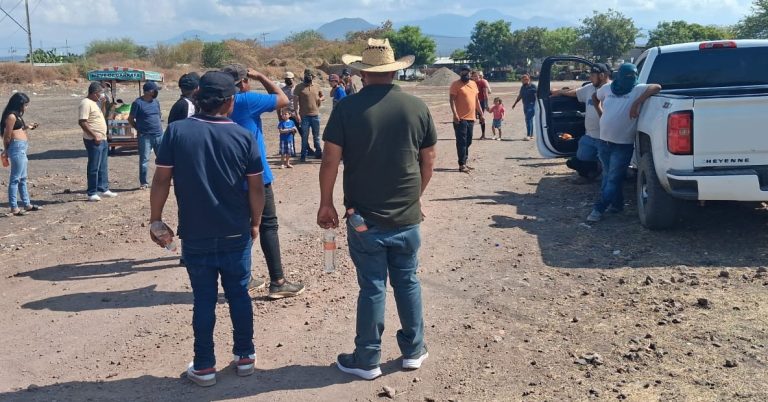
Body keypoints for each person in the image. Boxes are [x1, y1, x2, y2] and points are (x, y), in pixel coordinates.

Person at [319, 38, 437, 380]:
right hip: (407, 217)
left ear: (362, 72)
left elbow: (330, 159)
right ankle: (414, 350)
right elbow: (428, 161)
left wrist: (326, 202)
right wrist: (414, 197)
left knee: (372, 286)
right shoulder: (416, 107)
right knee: (408, 281)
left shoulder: (347, 109)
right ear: (394, 69)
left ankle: (367, 358)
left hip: (364, 218)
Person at [149, 71, 266, 387]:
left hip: (196, 234)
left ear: (198, 97)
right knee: (239, 294)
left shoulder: (176, 132)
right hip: (235, 232)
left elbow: (161, 179)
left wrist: (156, 220)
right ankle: (245, 356)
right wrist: (255, 222)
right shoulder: (243, 136)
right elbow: (256, 188)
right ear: (230, 102)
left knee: (204, 299)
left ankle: (204, 366)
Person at [221, 63, 305, 299]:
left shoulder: (218, 104)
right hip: (256, 176)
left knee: (241, 227)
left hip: (229, 178)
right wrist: (261, 76)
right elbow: (281, 99)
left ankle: (243, 278)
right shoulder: (246, 100)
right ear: (243, 82)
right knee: (268, 225)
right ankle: (277, 281)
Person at [586, 63, 661, 223]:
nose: (630, 78)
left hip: (623, 145)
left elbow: (657, 87)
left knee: (612, 178)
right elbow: (594, 98)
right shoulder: (608, 88)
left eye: (633, 75)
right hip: (604, 142)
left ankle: (599, 208)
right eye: (627, 75)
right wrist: (601, 113)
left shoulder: (637, 88)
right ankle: (618, 205)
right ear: (618, 75)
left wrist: (636, 102)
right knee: (610, 175)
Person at [552, 63, 612, 182]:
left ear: (602, 75)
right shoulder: (589, 88)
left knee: (608, 165)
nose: (590, 78)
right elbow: (574, 93)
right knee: (578, 160)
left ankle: (608, 178)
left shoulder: (613, 89)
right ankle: (590, 174)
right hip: (589, 136)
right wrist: (559, 92)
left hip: (606, 138)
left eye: (593, 75)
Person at [1, 92, 42, 216]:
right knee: (15, 179)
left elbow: (17, 130)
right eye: (25, 105)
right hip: (16, 148)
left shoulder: (17, 116)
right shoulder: (11, 117)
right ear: (19, 104)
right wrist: (6, 150)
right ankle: (14, 207)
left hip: (22, 147)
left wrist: (27, 127)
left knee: (23, 178)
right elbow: (7, 136)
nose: (26, 107)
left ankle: (27, 204)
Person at [79, 83, 118, 202]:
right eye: (100, 93)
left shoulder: (95, 103)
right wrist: (94, 135)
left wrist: (104, 103)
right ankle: (92, 192)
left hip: (102, 139)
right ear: (94, 93)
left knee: (103, 165)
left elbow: (101, 115)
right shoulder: (85, 103)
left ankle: (103, 188)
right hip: (93, 140)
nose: (101, 95)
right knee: (94, 166)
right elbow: (82, 122)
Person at [449, 65, 484, 173]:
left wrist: (481, 114)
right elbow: (452, 101)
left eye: (467, 72)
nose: (466, 74)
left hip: (471, 118)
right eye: (463, 72)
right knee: (462, 142)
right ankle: (462, 164)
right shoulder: (455, 85)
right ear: (460, 73)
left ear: (470, 73)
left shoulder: (473, 84)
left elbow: (477, 100)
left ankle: (464, 161)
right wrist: (455, 115)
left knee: (468, 140)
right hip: (460, 119)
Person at [129, 81, 163, 189]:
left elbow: (159, 115)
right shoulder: (137, 103)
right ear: (148, 92)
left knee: (163, 159)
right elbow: (130, 119)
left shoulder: (156, 102)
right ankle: (143, 182)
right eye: (155, 90)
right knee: (144, 160)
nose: (156, 92)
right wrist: (139, 129)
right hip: (145, 136)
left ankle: (165, 179)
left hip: (159, 135)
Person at [293, 69, 325, 162]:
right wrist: (296, 113)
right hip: (304, 116)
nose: (309, 77)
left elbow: (322, 96)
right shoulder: (299, 87)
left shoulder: (317, 86)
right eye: (308, 75)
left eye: (311, 76)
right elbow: (295, 101)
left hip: (316, 115)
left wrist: (320, 99)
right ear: (304, 76)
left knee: (316, 136)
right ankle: (303, 156)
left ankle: (318, 153)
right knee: (305, 136)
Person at [279, 71, 299, 156]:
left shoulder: (297, 88)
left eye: (289, 79)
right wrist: (279, 115)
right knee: (290, 133)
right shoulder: (282, 90)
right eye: (286, 79)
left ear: (293, 79)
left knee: (301, 132)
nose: (287, 80)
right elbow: (279, 102)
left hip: (297, 113)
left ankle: (307, 149)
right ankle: (291, 151)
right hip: (287, 114)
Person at [512, 74, 538, 141]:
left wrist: (539, 105)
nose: (523, 81)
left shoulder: (533, 86)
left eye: (524, 80)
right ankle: (531, 135)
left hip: (532, 105)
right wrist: (515, 103)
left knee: (528, 119)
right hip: (525, 105)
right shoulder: (523, 87)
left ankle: (528, 135)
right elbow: (520, 95)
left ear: (528, 79)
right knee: (530, 120)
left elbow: (538, 96)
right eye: (522, 80)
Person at [472, 70, 490, 139]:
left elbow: (486, 94)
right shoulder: (471, 83)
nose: (475, 77)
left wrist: (486, 104)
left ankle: (483, 134)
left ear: (478, 76)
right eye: (473, 76)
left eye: (476, 76)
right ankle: (470, 134)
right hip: (472, 102)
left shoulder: (482, 82)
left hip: (481, 102)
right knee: (472, 118)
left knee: (481, 118)